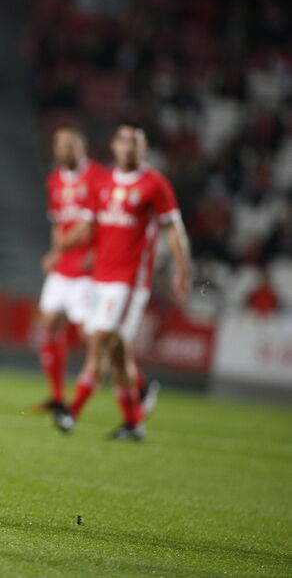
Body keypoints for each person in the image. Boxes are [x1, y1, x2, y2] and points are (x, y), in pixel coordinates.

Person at [52, 124, 191, 440]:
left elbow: (173, 228)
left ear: (144, 149)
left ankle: (71, 414)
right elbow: (87, 227)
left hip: (128, 282)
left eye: (136, 142)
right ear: (114, 146)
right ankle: (134, 420)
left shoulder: (155, 184)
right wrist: (57, 250)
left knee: (100, 339)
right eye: (124, 141)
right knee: (116, 352)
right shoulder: (102, 181)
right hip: (98, 278)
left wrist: (182, 270)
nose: (129, 147)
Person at [36, 128, 106, 412]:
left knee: (93, 337)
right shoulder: (54, 181)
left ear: (82, 147)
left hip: (87, 269)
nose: (63, 151)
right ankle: (57, 395)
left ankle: (134, 386)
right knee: (48, 323)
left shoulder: (99, 176)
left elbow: (103, 222)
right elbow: (58, 222)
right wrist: (55, 252)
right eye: (59, 145)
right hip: (63, 266)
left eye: (69, 146)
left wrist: (95, 252)